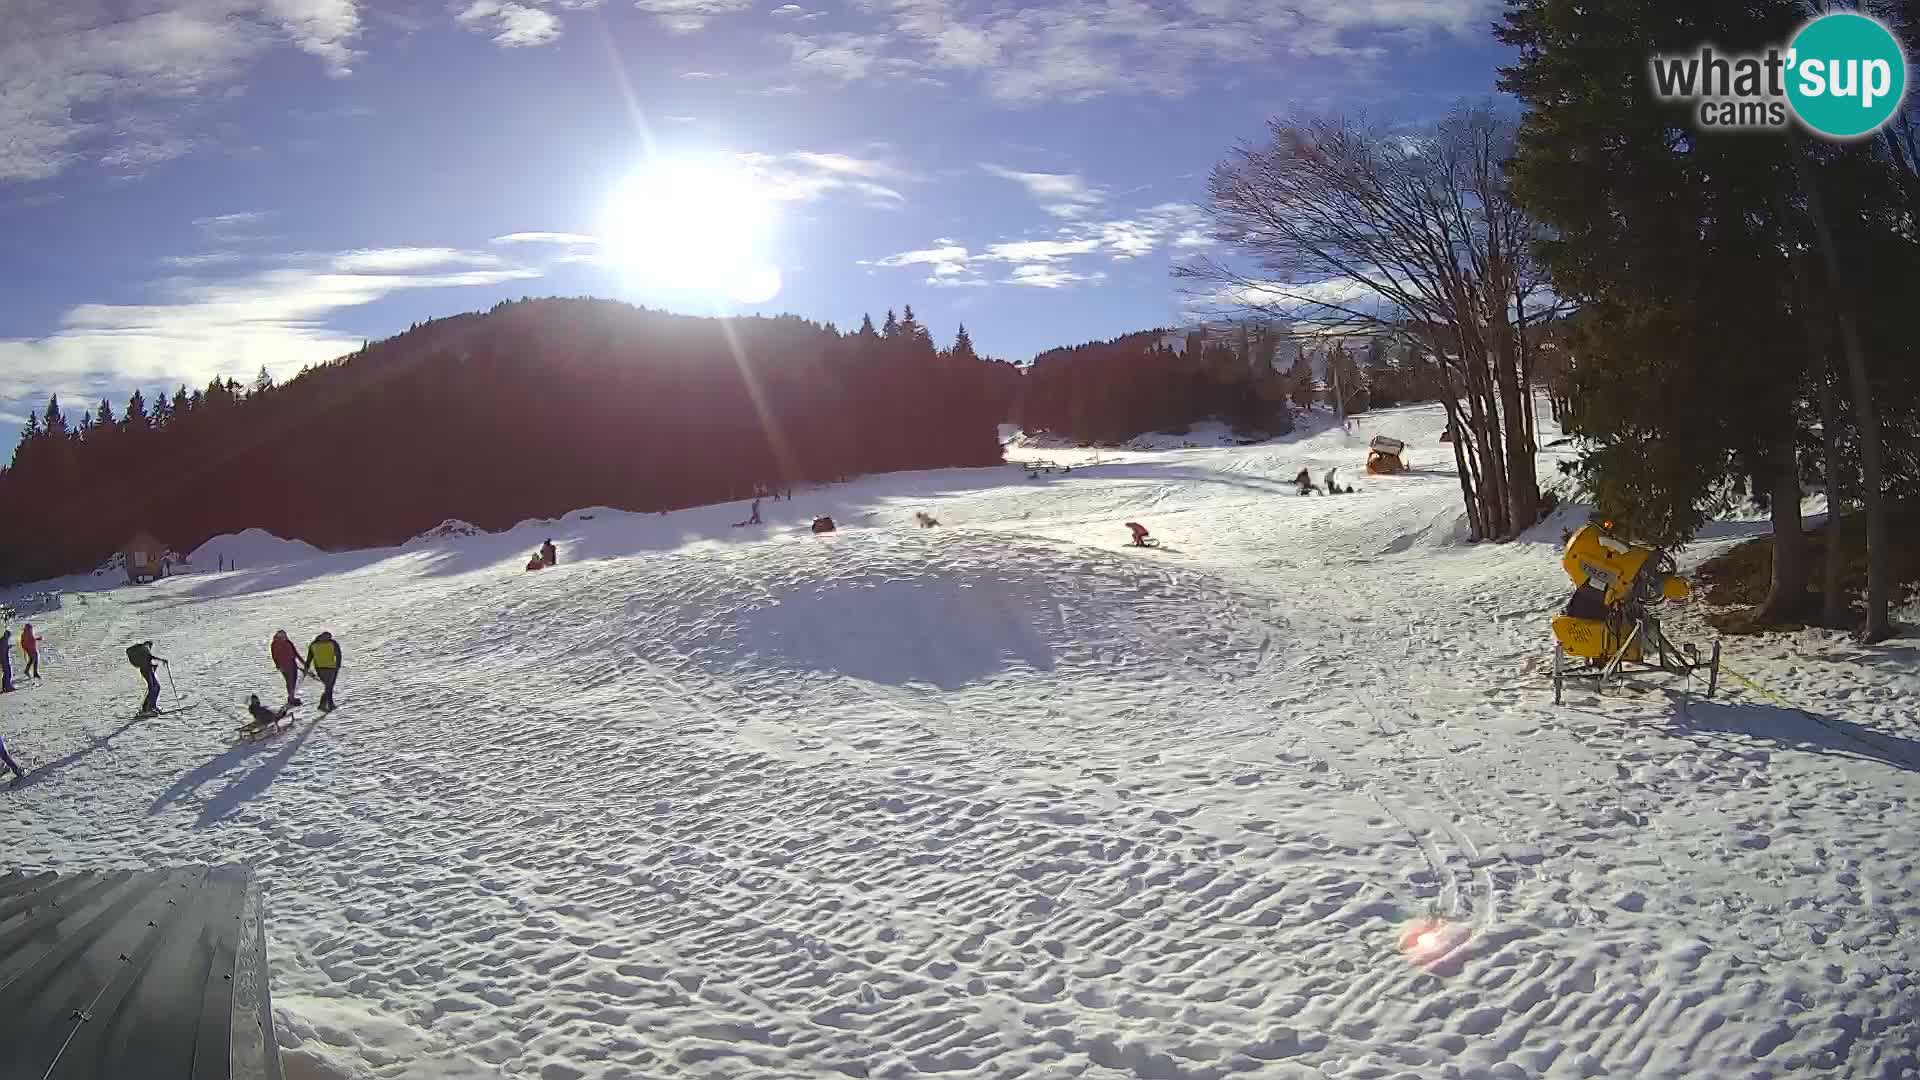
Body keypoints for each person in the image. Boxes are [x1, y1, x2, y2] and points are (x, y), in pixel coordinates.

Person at [127, 641, 167, 716]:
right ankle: (148, 708)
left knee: (155, 687)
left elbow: (149, 659)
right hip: (147, 671)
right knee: (153, 688)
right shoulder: (145, 649)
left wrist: (155, 665)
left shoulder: (144, 650)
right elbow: (150, 658)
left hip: (147, 670)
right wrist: (162, 660)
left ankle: (150, 707)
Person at [305, 631, 342, 712]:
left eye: (329, 637)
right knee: (329, 686)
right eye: (327, 637)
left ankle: (324, 705)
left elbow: (338, 654)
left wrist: (338, 665)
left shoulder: (332, 643)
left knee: (329, 687)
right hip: (321, 668)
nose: (328, 639)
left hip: (332, 667)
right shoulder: (314, 644)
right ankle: (328, 704)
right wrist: (306, 668)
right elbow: (309, 657)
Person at [270, 630, 307, 707]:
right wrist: (278, 665)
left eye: (284, 635)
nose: (283, 637)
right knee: (290, 681)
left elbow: (295, 652)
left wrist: (303, 662)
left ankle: (291, 697)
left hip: (292, 663)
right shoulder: (275, 644)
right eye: (281, 636)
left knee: (293, 680)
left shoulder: (287, 642)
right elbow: (274, 656)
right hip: (284, 665)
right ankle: (291, 698)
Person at [0, 626, 13, 693]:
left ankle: (4, 687)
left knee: (6, 672)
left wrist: (8, 647)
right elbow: (2, 651)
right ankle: (7, 687)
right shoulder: (4, 641)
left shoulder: (3, 640)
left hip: (3, 659)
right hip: (4, 659)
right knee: (7, 672)